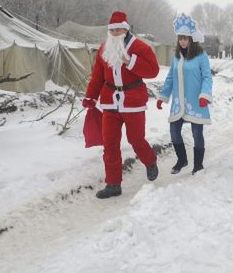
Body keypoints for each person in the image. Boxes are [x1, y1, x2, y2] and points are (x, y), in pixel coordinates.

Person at [82, 11, 161, 199]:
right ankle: (113, 184)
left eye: (119, 29)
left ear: (126, 29)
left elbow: (153, 71)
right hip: (110, 102)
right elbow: (98, 77)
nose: (115, 33)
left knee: (136, 140)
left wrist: (130, 61)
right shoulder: (103, 49)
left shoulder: (141, 47)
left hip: (133, 102)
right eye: (112, 30)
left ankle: (150, 161)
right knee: (110, 144)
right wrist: (91, 97)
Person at [156, 14, 213, 175]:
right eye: (180, 38)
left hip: (196, 101)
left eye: (185, 38)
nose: (182, 41)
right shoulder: (176, 57)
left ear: (191, 39)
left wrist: (204, 95)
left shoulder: (201, 56)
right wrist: (163, 96)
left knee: (197, 133)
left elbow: (207, 77)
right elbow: (170, 77)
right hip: (178, 103)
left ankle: (198, 165)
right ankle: (182, 159)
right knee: (174, 131)